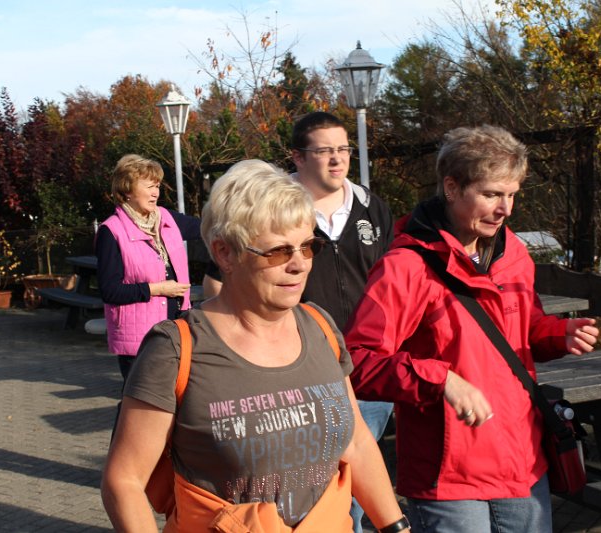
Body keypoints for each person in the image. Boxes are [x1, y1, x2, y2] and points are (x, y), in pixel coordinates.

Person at [101, 160, 409, 533]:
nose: (299, 265)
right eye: (278, 252)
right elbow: (124, 480)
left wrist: (396, 527)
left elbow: (357, 442)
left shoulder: (320, 328)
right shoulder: (176, 349)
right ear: (225, 253)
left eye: (308, 246)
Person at [344, 125, 600, 533]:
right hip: (450, 476)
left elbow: (520, 331)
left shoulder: (513, 253)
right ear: (451, 187)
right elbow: (357, 361)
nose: (506, 209)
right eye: (492, 194)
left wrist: (557, 334)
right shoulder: (405, 266)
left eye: (512, 194)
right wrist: (440, 379)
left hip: (522, 460)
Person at [203, 112, 396, 532]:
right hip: (292, 371)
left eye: (343, 149)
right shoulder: (264, 208)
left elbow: (394, 284)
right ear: (298, 157)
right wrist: (234, 341)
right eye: (325, 150)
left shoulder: (372, 208)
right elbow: (127, 478)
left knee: (352, 480)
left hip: (364, 368)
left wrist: (396, 526)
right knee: (301, 480)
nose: (337, 159)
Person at [95, 154, 197, 383]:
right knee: (142, 400)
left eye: (157, 186)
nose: (155, 193)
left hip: (177, 328)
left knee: (178, 396)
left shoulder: (167, 218)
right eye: (149, 186)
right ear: (127, 190)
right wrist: (156, 289)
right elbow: (110, 291)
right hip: (139, 339)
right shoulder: (111, 231)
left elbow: (208, 227)